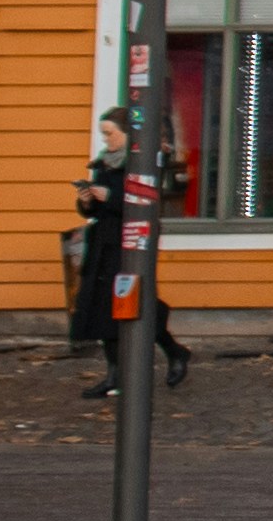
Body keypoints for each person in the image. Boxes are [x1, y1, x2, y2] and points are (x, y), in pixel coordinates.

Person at [70, 106, 194, 401]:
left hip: (132, 241)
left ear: (126, 134)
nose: (106, 140)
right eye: (103, 134)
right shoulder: (102, 163)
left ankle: (174, 352)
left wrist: (110, 197)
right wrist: (87, 202)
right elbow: (96, 209)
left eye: (110, 134)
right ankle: (115, 374)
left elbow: (144, 201)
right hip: (104, 241)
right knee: (103, 309)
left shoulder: (143, 162)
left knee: (135, 304)